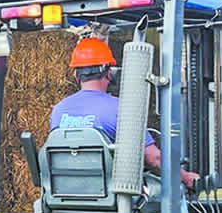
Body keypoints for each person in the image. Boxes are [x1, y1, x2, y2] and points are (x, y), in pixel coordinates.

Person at [50, 37, 199, 189]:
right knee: (173, 194)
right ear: (109, 73)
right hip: (110, 199)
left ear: (76, 76)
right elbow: (153, 159)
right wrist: (186, 177)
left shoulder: (58, 110)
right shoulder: (122, 108)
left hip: (63, 195)